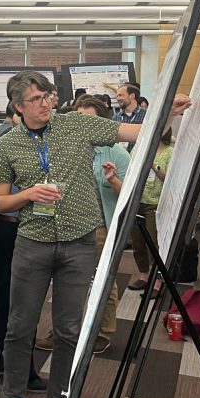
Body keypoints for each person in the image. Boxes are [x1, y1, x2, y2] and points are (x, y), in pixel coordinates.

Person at [0, 71, 189, 398]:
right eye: (36, 99)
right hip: (32, 243)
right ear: (18, 106)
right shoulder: (8, 145)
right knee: (20, 327)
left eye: (48, 95)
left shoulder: (78, 126)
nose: (47, 103)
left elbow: (134, 134)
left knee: (69, 329)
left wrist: (168, 115)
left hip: (79, 243)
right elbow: (0, 201)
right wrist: (29, 194)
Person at [35, 95, 127, 355]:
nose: (85, 125)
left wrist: (113, 181)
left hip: (99, 225)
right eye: (80, 119)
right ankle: (61, 333)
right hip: (65, 223)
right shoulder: (64, 145)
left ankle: (102, 332)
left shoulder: (115, 152)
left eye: (91, 120)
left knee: (101, 280)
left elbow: (134, 195)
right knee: (65, 281)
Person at [128, 127, 173, 292]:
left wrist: (153, 165)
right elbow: (129, 169)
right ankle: (143, 276)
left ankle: (158, 280)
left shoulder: (169, 152)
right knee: (137, 241)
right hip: (138, 200)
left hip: (156, 202)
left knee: (154, 242)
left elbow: (168, 178)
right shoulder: (139, 149)